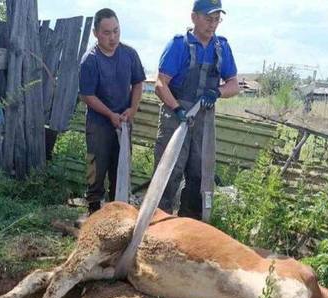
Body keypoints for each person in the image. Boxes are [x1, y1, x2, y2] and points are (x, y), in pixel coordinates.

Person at [154, 0, 239, 220]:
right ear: (194, 17)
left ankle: (189, 226)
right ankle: (158, 223)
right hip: (176, 116)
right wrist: (177, 108)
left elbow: (234, 85)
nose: (213, 25)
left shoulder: (221, 47)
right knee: (169, 171)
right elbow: (161, 84)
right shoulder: (178, 45)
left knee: (200, 174)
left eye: (216, 20)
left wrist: (217, 92)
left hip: (204, 118)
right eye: (208, 19)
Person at [79, 8, 145, 214]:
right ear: (95, 33)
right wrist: (110, 114)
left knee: (121, 167)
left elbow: (138, 82)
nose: (113, 37)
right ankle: (93, 207)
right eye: (107, 33)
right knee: (95, 165)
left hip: (124, 121)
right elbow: (87, 96)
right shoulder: (90, 60)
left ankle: (117, 209)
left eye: (116, 31)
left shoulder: (129, 54)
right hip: (99, 123)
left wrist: (132, 109)